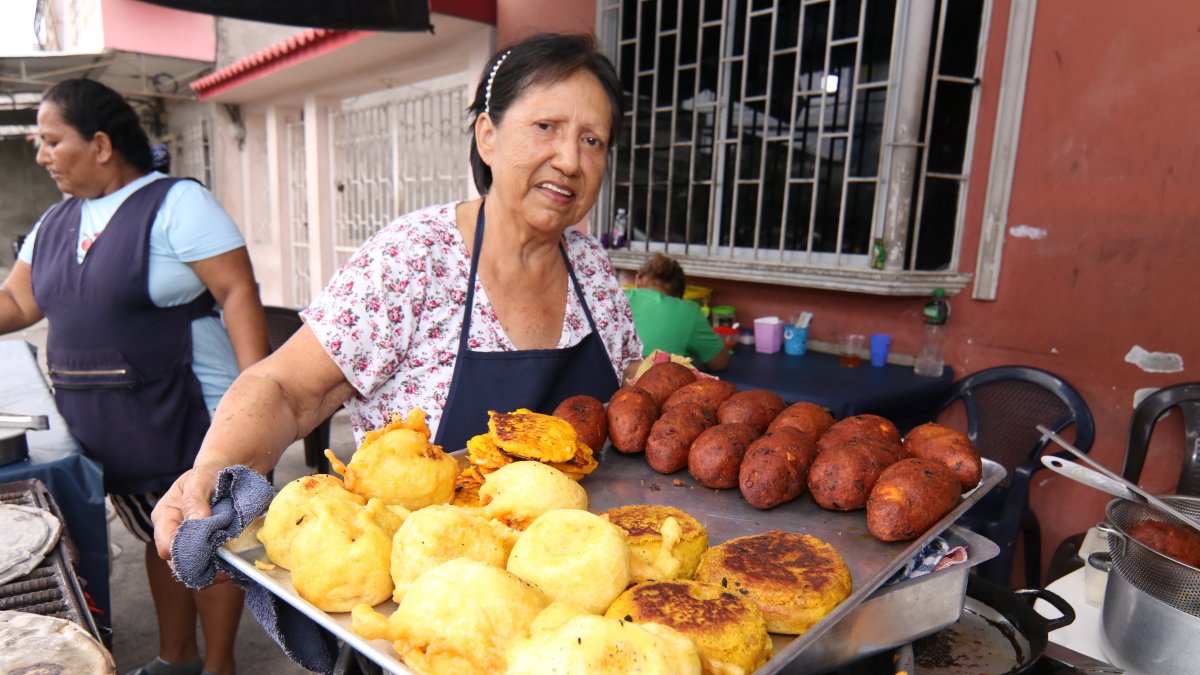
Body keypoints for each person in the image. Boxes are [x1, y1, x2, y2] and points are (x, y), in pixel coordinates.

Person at [151, 32, 642, 572]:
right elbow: (287, 390)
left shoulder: (591, 266)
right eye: (546, 127)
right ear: (488, 137)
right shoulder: (416, 257)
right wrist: (215, 465)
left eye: (593, 140)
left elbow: (628, 395)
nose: (570, 159)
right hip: (421, 592)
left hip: (572, 577)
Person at [0, 79, 269, 675]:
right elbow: (18, 305)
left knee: (206, 539)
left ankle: (219, 665)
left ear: (99, 144)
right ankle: (176, 657)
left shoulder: (176, 204)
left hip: (188, 412)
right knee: (161, 535)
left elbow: (236, 291)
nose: (42, 156)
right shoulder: (56, 221)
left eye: (52, 141)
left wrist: (262, 399)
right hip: (119, 427)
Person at [625, 253, 730, 371]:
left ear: (639, 279)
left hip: (609, 381)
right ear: (679, 293)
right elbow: (720, 362)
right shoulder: (689, 311)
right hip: (658, 383)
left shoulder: (616, 296)